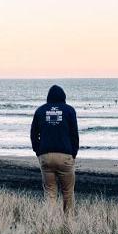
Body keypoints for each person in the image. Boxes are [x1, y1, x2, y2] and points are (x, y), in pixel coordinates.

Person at [30, 85, 80, 213]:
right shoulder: (69, 110)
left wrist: (38, 152)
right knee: (68, 192)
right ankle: (68, 223)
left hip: (46, 155)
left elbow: (33, 134)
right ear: (63, 97)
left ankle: (50, 222)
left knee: (50, 192)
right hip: (65, 155)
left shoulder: (40, 111)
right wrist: (73, 153)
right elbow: (74, 134)